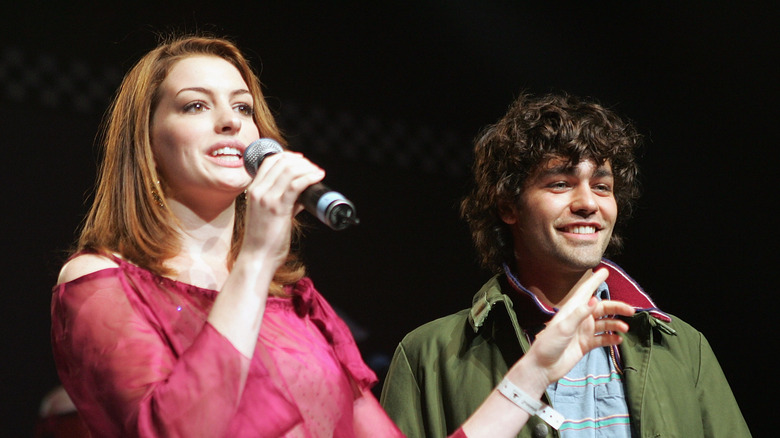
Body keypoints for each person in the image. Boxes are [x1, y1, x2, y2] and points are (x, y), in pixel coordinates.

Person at [50, 35, 635, 438]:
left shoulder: (297, 307)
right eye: (195, 105)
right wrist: (256, 256)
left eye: (244, 107)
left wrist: (535, 368)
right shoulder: (100, 282)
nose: (231, 121)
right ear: (147, 141)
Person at [380, 92, 752, 437]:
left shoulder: (686, 350)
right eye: (560, 183)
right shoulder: (427, 357)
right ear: (508, 206)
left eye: (603, 186)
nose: (588, 202)